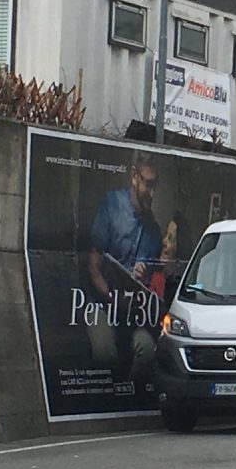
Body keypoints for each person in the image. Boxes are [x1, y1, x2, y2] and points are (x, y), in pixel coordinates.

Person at [86, 153, 162, 382]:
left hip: (132, 312)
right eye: (148, 184)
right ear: (134, 176)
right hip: (101, 302)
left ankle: (128, 395)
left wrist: (142, 282)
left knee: (148, 349)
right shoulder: (112, 204)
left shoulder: (154, 232)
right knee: (104, 353)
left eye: (155, 186)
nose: (152, 193)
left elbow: (149, 287)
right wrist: (110, 298)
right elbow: (93, 266)